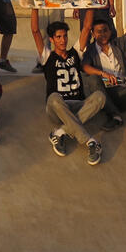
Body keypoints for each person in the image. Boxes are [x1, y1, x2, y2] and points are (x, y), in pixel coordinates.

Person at [31, 12, 105, 166]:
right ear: (51, 39)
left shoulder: (75, 53)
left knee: (99, 96)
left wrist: (89, 4)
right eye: (58, 37)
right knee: (54, 98)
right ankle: (90, 142)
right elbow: (35, 31)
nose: (63, 40)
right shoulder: (47, 56)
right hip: (57, 108)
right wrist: (34, 7)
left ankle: (60, 132)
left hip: (78, 104)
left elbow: (86, 28)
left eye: (64, 36)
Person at [82, 17, 126, 142]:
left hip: (125, 90)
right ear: (93, 34)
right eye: (99, 32)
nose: (103, 34)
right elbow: (85, 67)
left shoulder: (118, 44)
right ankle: (115, 117)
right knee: (93, 80)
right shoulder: (91, 50)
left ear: (110, 32)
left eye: (105, 30)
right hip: (106, 95)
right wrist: (103, 74)